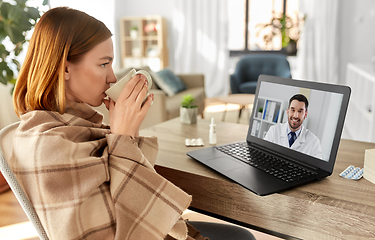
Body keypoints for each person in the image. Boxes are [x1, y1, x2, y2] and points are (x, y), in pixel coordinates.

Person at [10, 7, 255, 240]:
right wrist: (122, 137)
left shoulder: (76, 125)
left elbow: (120, 190)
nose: (113, 77)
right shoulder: (49, 144)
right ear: (64, 68)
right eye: (104, 63)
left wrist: (128, 134)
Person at [264, 94, 323, 159]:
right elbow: (264, 155)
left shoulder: (314, 142)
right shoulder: (274, 130)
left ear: (305, 115)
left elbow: (316, 168)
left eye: (300, 111)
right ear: (288, 111)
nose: (295, 116)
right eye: (293, 110)